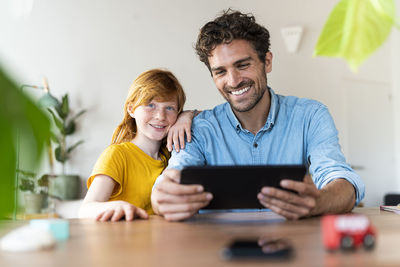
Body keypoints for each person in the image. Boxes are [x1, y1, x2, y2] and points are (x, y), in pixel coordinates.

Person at [151, 10, 365, 222]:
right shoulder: (197, 128)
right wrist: (162, 197)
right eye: (220, 72)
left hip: (292, 246)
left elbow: (343, 182)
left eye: (243, 65)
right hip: (216, 248)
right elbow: (169, 181)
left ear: (267, 62)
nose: (233, 81)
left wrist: (318, 202)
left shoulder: (311, 116)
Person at [79, 69, 195, 221]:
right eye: (150, 105)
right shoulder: (117, 154)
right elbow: (85, 209)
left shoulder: (174, 155)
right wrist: (116, 206)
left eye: (169, 108)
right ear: (131, 109)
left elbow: (212, 115)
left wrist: (187, 115)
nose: (160, 116)